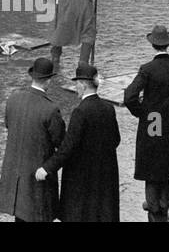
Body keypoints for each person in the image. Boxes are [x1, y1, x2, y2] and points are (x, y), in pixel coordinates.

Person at [35, 64, 119, 221]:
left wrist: (47, 168)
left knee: (81, 213)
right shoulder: (109, 108)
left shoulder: (80, 112)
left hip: (83, 177)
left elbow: (68, 146)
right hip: (106, 173)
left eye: (76, 84)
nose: (76, 88)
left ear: (82, 84)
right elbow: (116, 139)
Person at [124, 25, 169, 220]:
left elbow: (129, 96)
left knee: (151, 167)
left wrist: (142, 113)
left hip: (153, 122)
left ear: (152, 45)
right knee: (166, 164)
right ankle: (163, 203)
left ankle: (154, 208)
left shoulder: (147, 69)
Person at [0, 57, 63, 222]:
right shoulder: (51, 109)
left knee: (20, 217)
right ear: (49, 80)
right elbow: (61, 142)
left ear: (32, 76)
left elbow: (8, 125)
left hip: (15, 177)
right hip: (37, 179)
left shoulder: (13, 98)